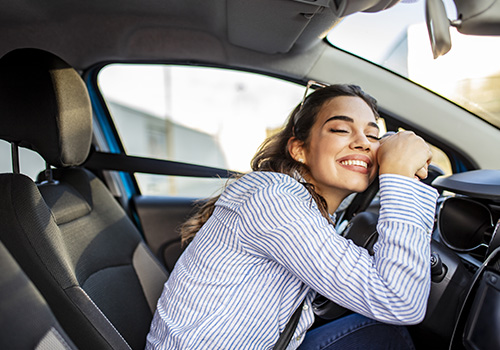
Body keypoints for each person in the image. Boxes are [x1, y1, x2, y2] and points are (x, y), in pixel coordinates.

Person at [146, 83, 438, 350]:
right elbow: (401, 302)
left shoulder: (307, 204)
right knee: (386, 336)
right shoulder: (276, 199)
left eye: (373, 135)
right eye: (340, 130)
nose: (363, 143)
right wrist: (399, 176)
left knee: (377, 333)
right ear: (299, 149)